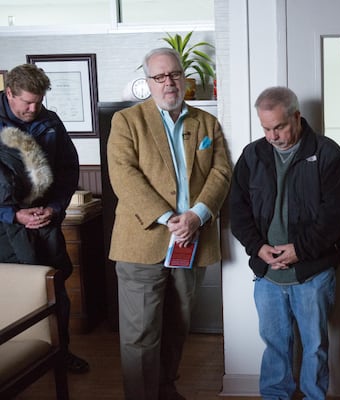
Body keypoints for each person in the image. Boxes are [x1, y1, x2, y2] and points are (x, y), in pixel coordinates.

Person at [107, 47, 232, 400]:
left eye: (174, 74)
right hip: (142, 242)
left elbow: (221, 172)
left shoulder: (206, 123)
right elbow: (124, 176)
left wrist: (197, 215)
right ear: (148, 82)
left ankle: (165, 390)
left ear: (184, 77)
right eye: (160, 77)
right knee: (141, 334)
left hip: (191, 243)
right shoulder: (127, 121)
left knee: (177, 329)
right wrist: (168, 218)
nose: (169, 83)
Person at [229, 86, 340, 400]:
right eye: (266, 128)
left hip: (312, 272)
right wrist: (258, 247)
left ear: (296, 117)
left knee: (314, 348)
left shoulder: (328, 154)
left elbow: (335, 215)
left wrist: (299, 250)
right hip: (268, 274)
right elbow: (237, 209)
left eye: (279, 127)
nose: (272, 136)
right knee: (275, 346)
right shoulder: (252, 155)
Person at [0, 64, 90, 374]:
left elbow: (68, 169)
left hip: (45, 222)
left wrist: (55, 207)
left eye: (39, 101)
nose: (33, 108)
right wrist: (13, 214)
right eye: (27, 102)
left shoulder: (49, 121)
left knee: (55, 290)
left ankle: (59, 354)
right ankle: (18, 361)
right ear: (9, 92)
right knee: (12, 296)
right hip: (5, 229)